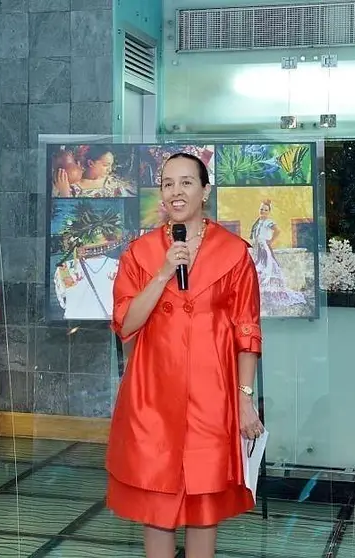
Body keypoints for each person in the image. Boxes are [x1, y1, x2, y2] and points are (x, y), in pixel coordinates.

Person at [106, 152, 264, 558]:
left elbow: (247, 330)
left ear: (205, 191)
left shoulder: (235, 254)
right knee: (157, 504)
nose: (176, 192)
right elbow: (126, 324)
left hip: (212, 394)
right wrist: (161, 274)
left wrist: (245, 399)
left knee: (203, 504)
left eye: (186, 183)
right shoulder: (139, 253)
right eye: (168, 183)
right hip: (152, 393)